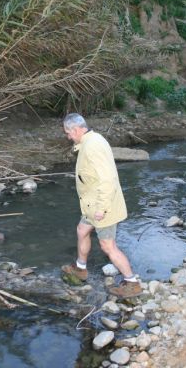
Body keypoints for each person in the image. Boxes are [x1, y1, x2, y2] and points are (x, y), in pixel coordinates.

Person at [61, 113, 142, 298]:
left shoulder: (93, 146)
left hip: (101, 206)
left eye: (68, 133)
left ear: (76, 129)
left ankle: (132, 282)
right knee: (82, 230)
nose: (68, 137)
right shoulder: (90, 140)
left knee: (108, 246)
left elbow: (108, 180)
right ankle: (80, 269)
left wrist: (101, 209)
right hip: (91, 204)